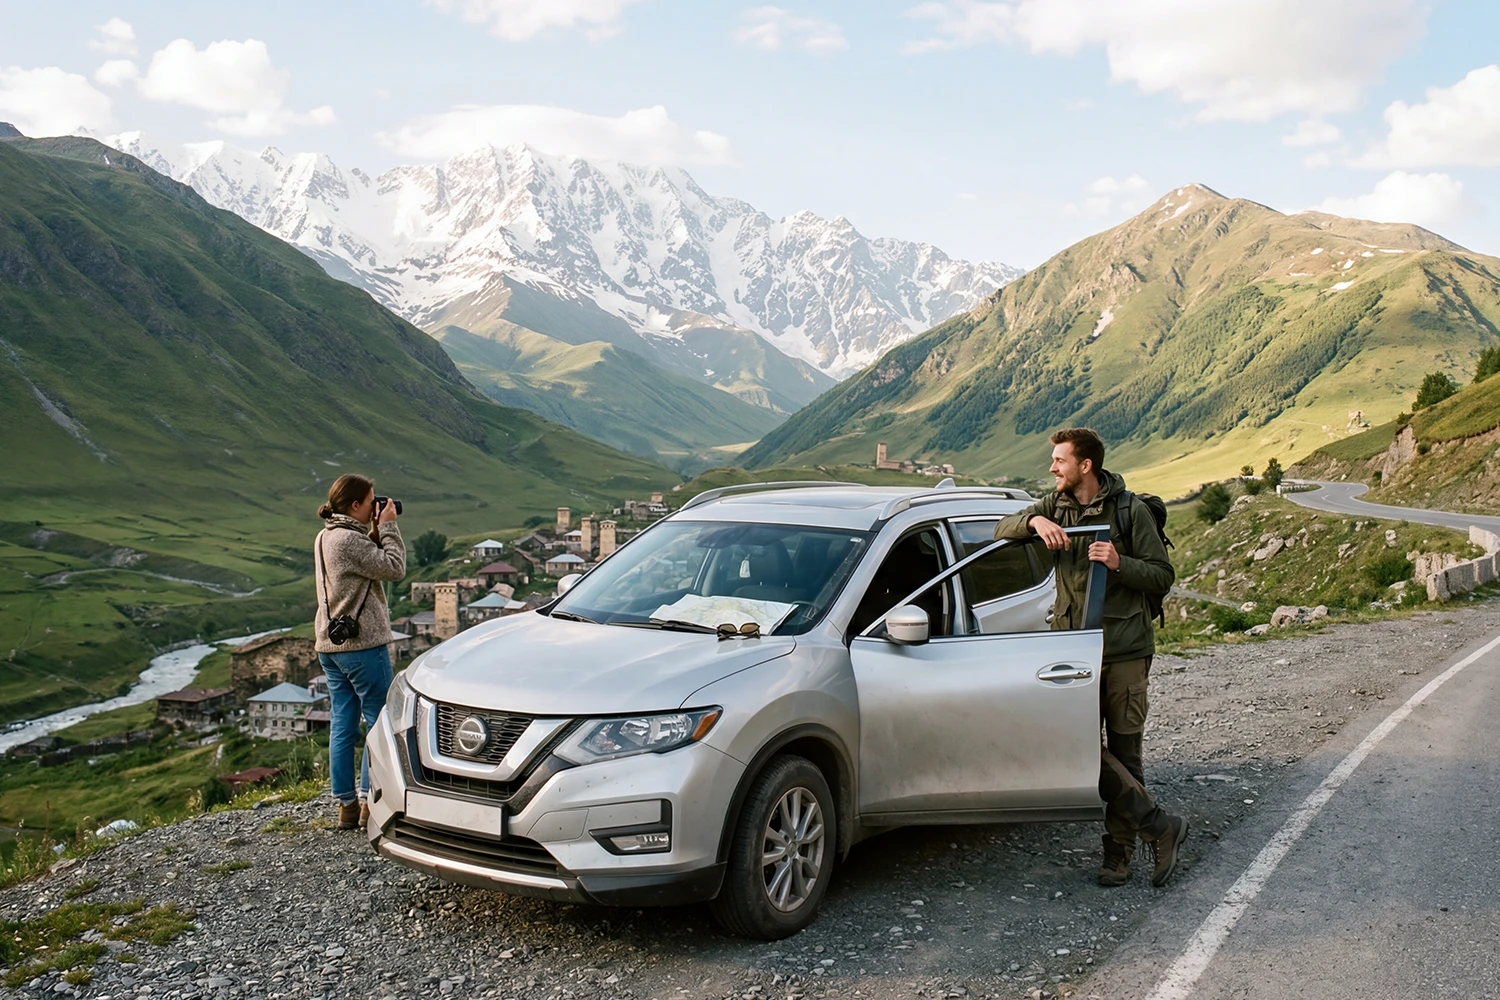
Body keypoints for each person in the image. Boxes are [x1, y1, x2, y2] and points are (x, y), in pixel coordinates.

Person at [994, 427, 1187, 887]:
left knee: (1125, 750)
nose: (1052, 468)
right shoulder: (1055, 505)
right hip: (1071, 646)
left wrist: (1120, 563)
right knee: (1076, 744)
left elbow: (1163, 576)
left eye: (1059, 461)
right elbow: (1002, 528)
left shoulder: (1130, 510)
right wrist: (1034, 524)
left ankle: (1118, 854)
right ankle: (1161, 826)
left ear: (1086, 466)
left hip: (1123, 650)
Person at [313, 474, 406, 830]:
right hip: (362, 645)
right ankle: (370, 800)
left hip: (330, 644)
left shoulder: (325, 536)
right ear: (355, 506)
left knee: (342, 724)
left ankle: (346, 806)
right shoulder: (349, 541)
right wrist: (391, 528)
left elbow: (361, 564)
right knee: (378, 722)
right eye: (371, 502)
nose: (376, 507)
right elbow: (393, 568)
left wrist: (375, 528)